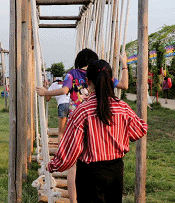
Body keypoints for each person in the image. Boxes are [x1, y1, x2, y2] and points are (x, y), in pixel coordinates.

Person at [46, 60, 148, 202]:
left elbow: (72, 148)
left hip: (90, 174)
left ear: (87, 81)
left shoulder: (82, 111)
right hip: (116, 171)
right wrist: (122, 134)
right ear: (112, 80)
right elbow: (140, 129)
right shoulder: (123, 108)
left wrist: (53, 165)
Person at [36, 48, 129, 203]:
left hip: (77, 120)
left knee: (73, 166)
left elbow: (65, 90)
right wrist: (124, 64)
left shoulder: (72, 74)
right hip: (98, 122)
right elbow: (125, 85)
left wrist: (46, 93)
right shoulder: (102, 73)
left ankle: (74, 200)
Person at [45, 77, 70, 143]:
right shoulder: (68, 83)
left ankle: (61, 149)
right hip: (71, 105)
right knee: (69, 129)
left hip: (62, 105)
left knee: (61, 131)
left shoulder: (54, 85)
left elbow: (47, 98)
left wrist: (45, 88)